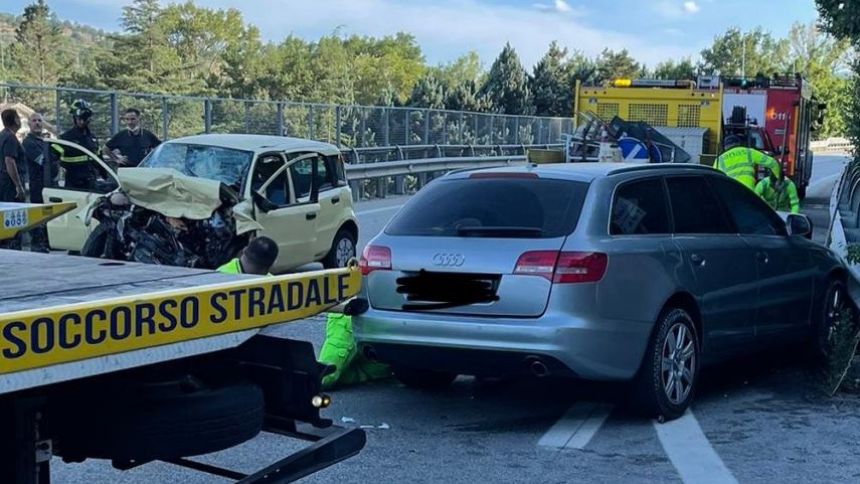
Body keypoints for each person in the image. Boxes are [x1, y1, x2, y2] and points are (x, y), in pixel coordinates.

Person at [21, 112, 57, 252]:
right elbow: (44, 161)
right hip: (37, 184)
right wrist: (55, 159)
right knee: (39, 213)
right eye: (34, 121)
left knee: (48, 213)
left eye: (39, 121)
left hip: (48, 183)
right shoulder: (28, 142)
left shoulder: (43, 141)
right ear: (29, 124)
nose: (37, 123)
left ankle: (46, 241)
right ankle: (37, 243)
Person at [54, 100, 99, 190]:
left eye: (84, 119)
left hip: (91, 183)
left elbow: (98, 159)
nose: (82, 122)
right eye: (79, 119)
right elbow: (52, 158)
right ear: (74, 118)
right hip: (74, 186)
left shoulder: (92, 138)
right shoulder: (65, 138)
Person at [714, 134, 780, 190]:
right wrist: (778, 181)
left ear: (725, 147)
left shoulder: (720, 159)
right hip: (748, 192)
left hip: (730, 193)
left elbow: (714, 179)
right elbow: (772, 163)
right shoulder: (749, 152)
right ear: (739, 143)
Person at [0, 108, 26, 250]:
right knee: (13, 215)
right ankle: (12, 246)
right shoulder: (10, 138)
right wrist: (18, 186)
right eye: (18, 117)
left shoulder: (2, 135)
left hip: (3, 182)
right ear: (15, 120)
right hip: (9, 185)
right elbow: (9, 161)